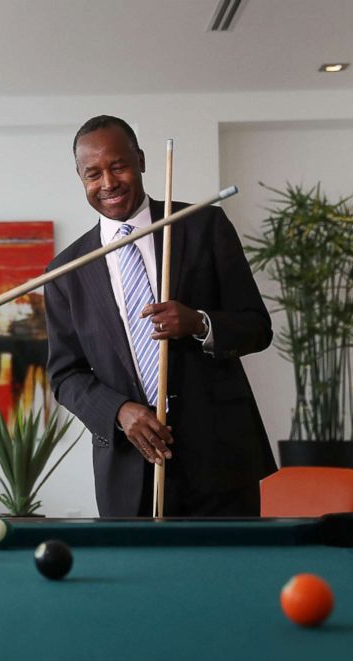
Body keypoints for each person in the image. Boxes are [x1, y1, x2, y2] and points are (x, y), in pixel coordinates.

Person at [44, 115, 277, 517]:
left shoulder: (203, 225)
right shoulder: (67, 271)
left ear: (141, 160)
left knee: (230, 577)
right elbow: (65, 376)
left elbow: (257, 327)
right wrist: (119, 411)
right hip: (130, 464)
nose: (108, 183)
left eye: (118, 166)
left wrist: (199, 322)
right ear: (81, 178)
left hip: (219, 454)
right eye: (93, 174)